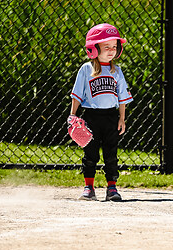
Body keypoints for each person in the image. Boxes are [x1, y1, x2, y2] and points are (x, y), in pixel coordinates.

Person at [69, 23, 133, 201]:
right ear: (93, 49)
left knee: (111, 154)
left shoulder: (116, 71)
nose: (112, 50)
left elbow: (122, 98)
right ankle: (89, 187)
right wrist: (72, 116)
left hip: (111, 117)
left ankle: (112, 187)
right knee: (91, 153)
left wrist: (122, 118)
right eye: (106, 47)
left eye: (114, 47)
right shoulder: (86, 69)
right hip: (91, 117)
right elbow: (76, 95)